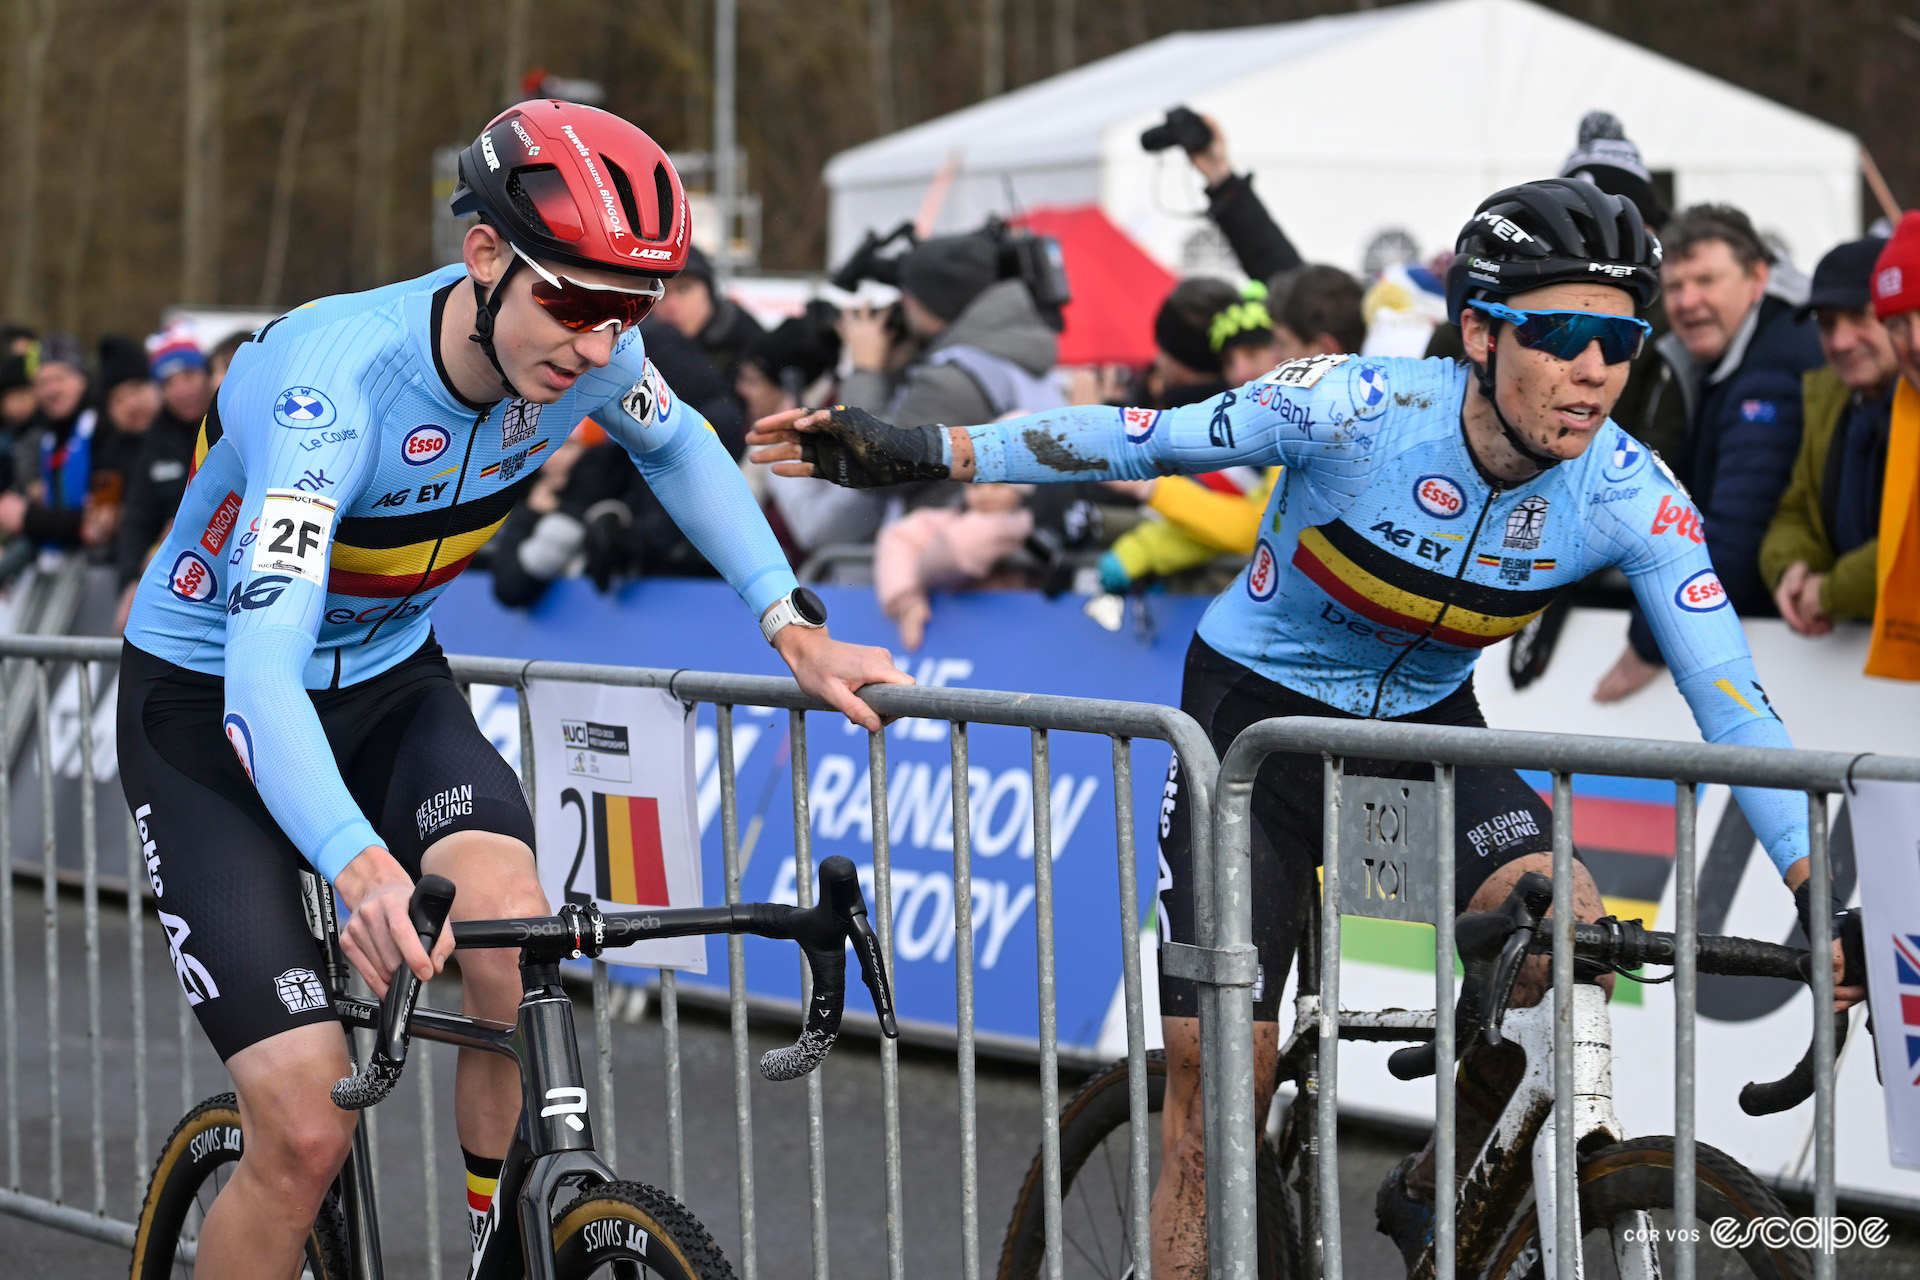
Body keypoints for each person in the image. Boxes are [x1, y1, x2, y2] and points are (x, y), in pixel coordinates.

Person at [750, 177, 1860, 1277]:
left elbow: (1733, 699)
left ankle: (1446, 1177)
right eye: (1564, 333)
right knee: (1227, 1077)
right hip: (1255, 725)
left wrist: (1817, 888)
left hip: (1424, 725)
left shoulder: (1631, 490)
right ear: (1479, 329)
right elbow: (1142, 436)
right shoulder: (1355, 409)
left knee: (1558, 920)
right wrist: (930, 450)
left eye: (1624, 343)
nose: (1596, 372)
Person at [114, 99, 908, 1280]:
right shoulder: (331, 391)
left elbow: (683, 443)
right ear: (483, 255)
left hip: (389, 688)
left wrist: (791, 622)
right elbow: (259, 674)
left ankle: (499, 1246)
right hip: (213, 704)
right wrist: (360, 864)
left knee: (513, 944)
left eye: (629, 310)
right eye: (576, 303)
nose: (599, 345)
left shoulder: (587, 348)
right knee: (304, 1129)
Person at [1595, 202, 1823, 702]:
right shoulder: (1729, 356)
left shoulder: (1771, 372)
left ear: (1757, 277)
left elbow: (1736, 538)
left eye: (1706, 280)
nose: (1689, 302)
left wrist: (1647, 646)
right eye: (1675, 287)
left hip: (1805, 661)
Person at [1759, 236, 1896, 634]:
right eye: (1827, 323)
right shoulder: (1828, 397)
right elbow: (1794, 511)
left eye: (1859, 317)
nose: (1840, 341)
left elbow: (1908, 546)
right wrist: (1791, 570)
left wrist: (1829, 593)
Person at [116, 327, 217, 594]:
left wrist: (186, 528)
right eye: (169, 383)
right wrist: (129, 582)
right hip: (169, 574)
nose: (182, 390)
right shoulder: (156, 440)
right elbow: (137, 518)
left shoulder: (230, 425)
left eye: (189, 376)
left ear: (207, 375)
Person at [651, 243, 765, 396]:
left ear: (709, 291)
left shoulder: (749, 342)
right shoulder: (636, 341)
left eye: (684, 288)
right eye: (660, 291)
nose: (672, 305)